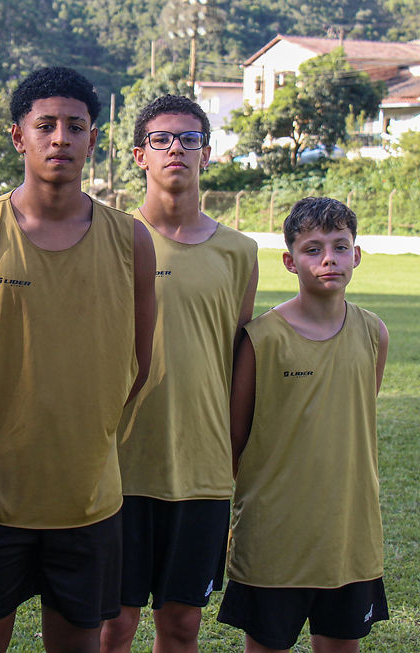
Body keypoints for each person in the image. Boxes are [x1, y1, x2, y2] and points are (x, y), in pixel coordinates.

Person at [0, 66, 157, 653]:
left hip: (87, 496)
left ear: (94, 139)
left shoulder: (130, 239)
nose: (60, 137)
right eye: (45, 125)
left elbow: (137, 363)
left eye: (75, 126)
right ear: (19, 137)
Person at [100, 95, 259, 653]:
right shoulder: (110, 239)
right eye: (162, 139)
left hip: (201, 468)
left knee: (182, 625)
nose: (176, 149)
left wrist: (234, 450)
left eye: (189, 139)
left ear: (206, 155)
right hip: (118, 463)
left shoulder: (240, 251)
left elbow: (236, 359)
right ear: (140, 155)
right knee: (114, 624)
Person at [218, 197, 390, 653]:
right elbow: (236, 440)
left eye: (340, 246)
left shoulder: (374, 332)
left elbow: (353, 417)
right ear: (289, 262)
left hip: (347, 537)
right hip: (275, 537)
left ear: (357, 255)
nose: (328, 258)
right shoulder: (262, 338)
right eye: (313, 249)